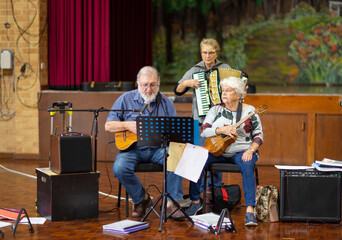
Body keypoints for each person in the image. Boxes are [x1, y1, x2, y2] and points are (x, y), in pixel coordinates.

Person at [181, 76, 263, 226]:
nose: (224, 93)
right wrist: (220, 130)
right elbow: (204, 131)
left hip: (241, 151)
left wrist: (251, 150)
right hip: (218, 151)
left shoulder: (251, 111)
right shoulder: (216, 109)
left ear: (238, 94)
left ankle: (250, 210)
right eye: (223, 90)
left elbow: (258, 136)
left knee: (247, 164)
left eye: (229, 91)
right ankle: (194, 201)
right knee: (197, 158)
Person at [105, 66, 182, 218]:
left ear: (158, 84)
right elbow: (108, 125)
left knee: (176, 159)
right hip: (132, 149)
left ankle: (171, 203)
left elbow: (176, 133)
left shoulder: (167, 103)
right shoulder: (125, 99)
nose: (148, 89)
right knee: (119, 168)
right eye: (144, 85)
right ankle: (141, 199)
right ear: (137, 83)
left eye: (152, 85)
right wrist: (127, 125)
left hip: (158, 149)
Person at [172, 38, 230, 212]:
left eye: (211, 52)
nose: (207, 56)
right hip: (200, 121)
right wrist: (187, 83)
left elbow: (237, 88)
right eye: (204, 52)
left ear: (216, 53)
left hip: (220, 121)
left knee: (217, 152)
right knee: (196, 157)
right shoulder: (195, 70)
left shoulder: (224, 69)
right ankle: (196, 199)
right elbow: (177, 90)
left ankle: (214, 193)